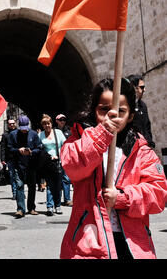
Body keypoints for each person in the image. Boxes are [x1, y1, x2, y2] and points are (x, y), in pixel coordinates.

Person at [60, 78, 167, 259]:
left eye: (120, 111)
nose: (112, 115)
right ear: (94, 111)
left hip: (132, 244)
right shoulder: (79, 139)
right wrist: (102, 134)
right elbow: (73, 167)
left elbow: (158, 193)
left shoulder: (142, 150)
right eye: (104, 109)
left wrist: (123, 198)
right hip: (90, 241)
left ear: (131, 116)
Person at [8, 115, 42, 218]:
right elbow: (9, 148)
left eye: (25, 129)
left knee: (32, 187)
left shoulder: (34, 134)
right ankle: (20, 209)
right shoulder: (13, 135)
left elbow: (39, 148)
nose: (24, 131)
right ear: (19, 126)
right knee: (19, 186)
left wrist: (31, 152)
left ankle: (31, 208)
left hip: (31, 164)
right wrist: (18, 150)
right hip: (18, 165)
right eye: (22, 129)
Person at [39, 114, 66, 216]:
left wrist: (59, 156)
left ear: (51, 124)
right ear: (42, 125)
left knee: (58, 185)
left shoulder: (58, 133)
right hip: (47, 163)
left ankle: (58, 205)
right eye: (45, 124)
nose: (47, 126)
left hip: (58, 161)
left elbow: (65, 145)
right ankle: (50, 206)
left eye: (48, 123)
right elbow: (39, 149)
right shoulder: (40, 135)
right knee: (50, 185)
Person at [128, 74, 155, 149]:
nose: (144, 90)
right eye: (142, 87)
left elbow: (147, 127)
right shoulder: (126, 106)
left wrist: (150, 142)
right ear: (134, 88)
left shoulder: (143, 105)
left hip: (146, 147)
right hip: (133, 149)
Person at [55, 114, 73, 206]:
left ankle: (67, 199)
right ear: (56, 120)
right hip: (56, 158)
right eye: (60, 119)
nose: (62, 121)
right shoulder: (54, 131)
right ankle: (56, 199)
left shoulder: (69, 131)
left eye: (64, 119)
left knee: (66, 179)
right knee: (56, 179)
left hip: (66, 158)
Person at [1, 118, 17, 199]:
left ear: (16, 123)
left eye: (13, 123)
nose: (12, 125)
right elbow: (3, 147)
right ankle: (14, 192)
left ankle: (20, 192)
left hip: (20, 158)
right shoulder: (5, 135)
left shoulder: (20, 132)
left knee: (21, 176)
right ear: (8, 125)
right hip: (10, 158)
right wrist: (2, 159)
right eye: (10, 124)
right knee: (12, 176)